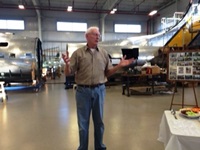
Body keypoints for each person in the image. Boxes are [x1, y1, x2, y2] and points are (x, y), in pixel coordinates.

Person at [62, 26, 134, 150]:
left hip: (99, 90)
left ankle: (99, 147)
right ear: (87, 36)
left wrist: (119, 66)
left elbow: (108, 73)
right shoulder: (78, 53)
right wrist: (67, 65)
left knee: (99, 122)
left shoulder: (104, 53)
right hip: (82, 91)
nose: (98, 36)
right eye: (95, 34)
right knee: (83, 124)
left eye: (98, 34)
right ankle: (83, 147)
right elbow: (68, 73)